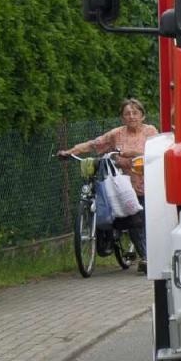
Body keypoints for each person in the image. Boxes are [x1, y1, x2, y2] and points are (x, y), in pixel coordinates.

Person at [58, 98, 156, 271]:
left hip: (146, 184)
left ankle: (148, 256)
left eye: (135, 113)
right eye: (127, 113)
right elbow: (94, 144)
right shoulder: (117, 134)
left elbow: (155, 152)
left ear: (142, 115)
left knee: (143, 223)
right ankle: (144, 257)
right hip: (123, 186)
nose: (131, 116)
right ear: (122, 117)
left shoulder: (150, 131)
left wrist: (131, 153)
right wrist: (69, 152)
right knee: (134, 222)